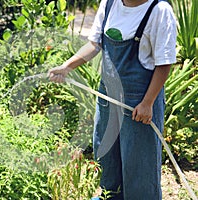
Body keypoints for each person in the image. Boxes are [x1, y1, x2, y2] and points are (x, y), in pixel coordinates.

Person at [47, 0, 177, 199]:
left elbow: (164, 63)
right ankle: (110, 196)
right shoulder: (110, 3)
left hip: (138, 104)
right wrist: (67, 67)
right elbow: (94, 44)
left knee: (139, 164)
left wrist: (148, 103)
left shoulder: (159, 11)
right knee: (106, 155)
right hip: (108, 98)